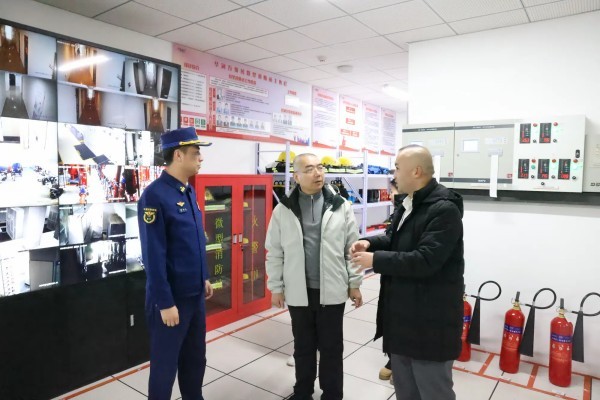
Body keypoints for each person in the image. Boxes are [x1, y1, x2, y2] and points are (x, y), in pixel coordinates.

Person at [350, 145, 464, 400]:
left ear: (416, 171)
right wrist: (369, 243)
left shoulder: (444, 209)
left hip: (430, 320)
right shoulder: (409, 203)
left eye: (397, 169)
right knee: (405, 387)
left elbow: (425, 260)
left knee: (432, 389)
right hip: (403, 316)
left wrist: (375, 260)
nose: (393, 176)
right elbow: (395, 239)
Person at [266, 153, 363, 400]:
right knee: (303, 346)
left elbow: (352, 249)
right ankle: (302, 392)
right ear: (296, 176)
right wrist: (276, 287)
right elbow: (274, 252)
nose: (318, 173)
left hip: (333, 288)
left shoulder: (341, 206)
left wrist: (354, 283)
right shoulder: (283, 210)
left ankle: (332, 394)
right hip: (298, 290)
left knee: (332, 347)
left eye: (320, 167)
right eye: (309, 169)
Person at [138, 126, 214, 400]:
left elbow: (192, 240)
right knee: (165, 366)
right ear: (178, 155)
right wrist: (165, 303)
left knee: (195, 359)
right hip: (172, 299)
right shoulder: (154, 196)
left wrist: (204, 276)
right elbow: (153, 255)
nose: (200, 158)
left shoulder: (188, 191)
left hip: (194, 295)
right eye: (195, 153)